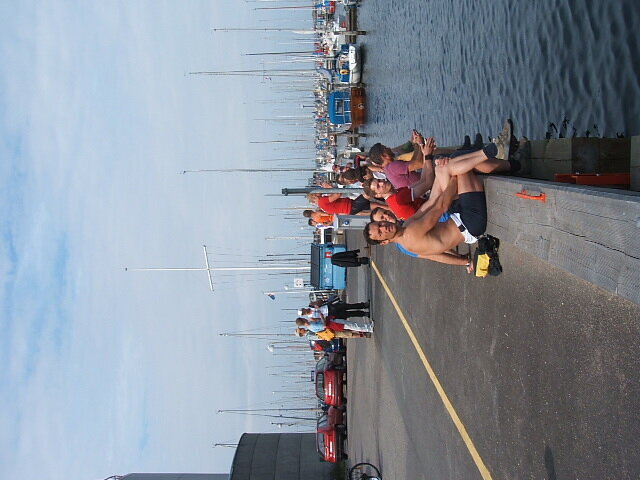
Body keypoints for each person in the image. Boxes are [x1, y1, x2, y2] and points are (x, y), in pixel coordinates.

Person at [364, 144, 502, 272]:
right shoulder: (410, 234)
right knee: (456, 167)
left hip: (458, 216)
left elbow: (431, 202)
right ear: (385, 242)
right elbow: (441, 206)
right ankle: (490, 152)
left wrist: (439, 171)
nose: (384, 227)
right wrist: (452, 178)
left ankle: (493, 155)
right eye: (380, 232)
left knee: (444, 166)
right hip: (470, 223)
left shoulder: (405, 225)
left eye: (380, 224)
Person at [296, 316, 373, 333]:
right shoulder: (312, 326)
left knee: (351, 324)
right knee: (352, 326)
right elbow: (324, 326)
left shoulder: (311, 324)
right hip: (333, 324)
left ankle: (367, 327)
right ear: (303, 320)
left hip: (332, 322)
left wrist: (316, 319)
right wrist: (322, 317)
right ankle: (368, 328)